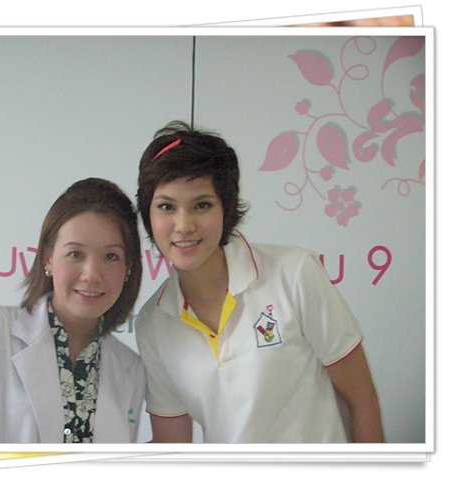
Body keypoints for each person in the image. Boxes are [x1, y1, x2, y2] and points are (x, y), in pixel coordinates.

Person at [135, 121, 385, 444]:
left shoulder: (294, 273)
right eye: (166, 207)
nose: (183, 225)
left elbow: (362, 400)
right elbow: (173, 447)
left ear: (226, 208)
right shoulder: (153, 323)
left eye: (202, 205)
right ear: (148, 214)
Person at [0, 178, 145, 444]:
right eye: (75, 254)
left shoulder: (130, 368)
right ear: (47, 258)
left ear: (128, 267)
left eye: (111, 256)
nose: (92, 275)